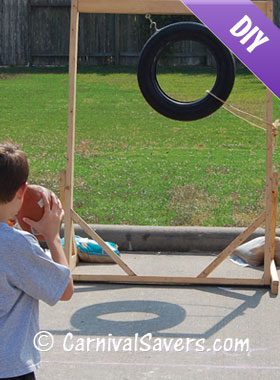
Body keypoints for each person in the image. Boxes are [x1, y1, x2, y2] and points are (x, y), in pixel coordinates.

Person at [0, 143, 74, 380]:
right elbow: (64, 289)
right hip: (10, 367)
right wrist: (53, 238)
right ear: (22, 191)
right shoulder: (16, 245)